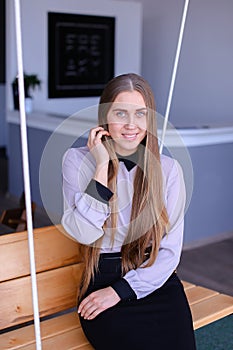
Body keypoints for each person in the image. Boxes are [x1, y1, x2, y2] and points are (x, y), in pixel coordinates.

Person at [61, 73, 196, 350]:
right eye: (121, 113)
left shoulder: (169, 170)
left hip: (154, 280)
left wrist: (121, 291)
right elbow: (84, 233)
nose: (131, 125)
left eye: (141, 114)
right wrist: (101, 167)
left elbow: (169, 252)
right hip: (101, 280)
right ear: (104, 117)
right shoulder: (76, 161)